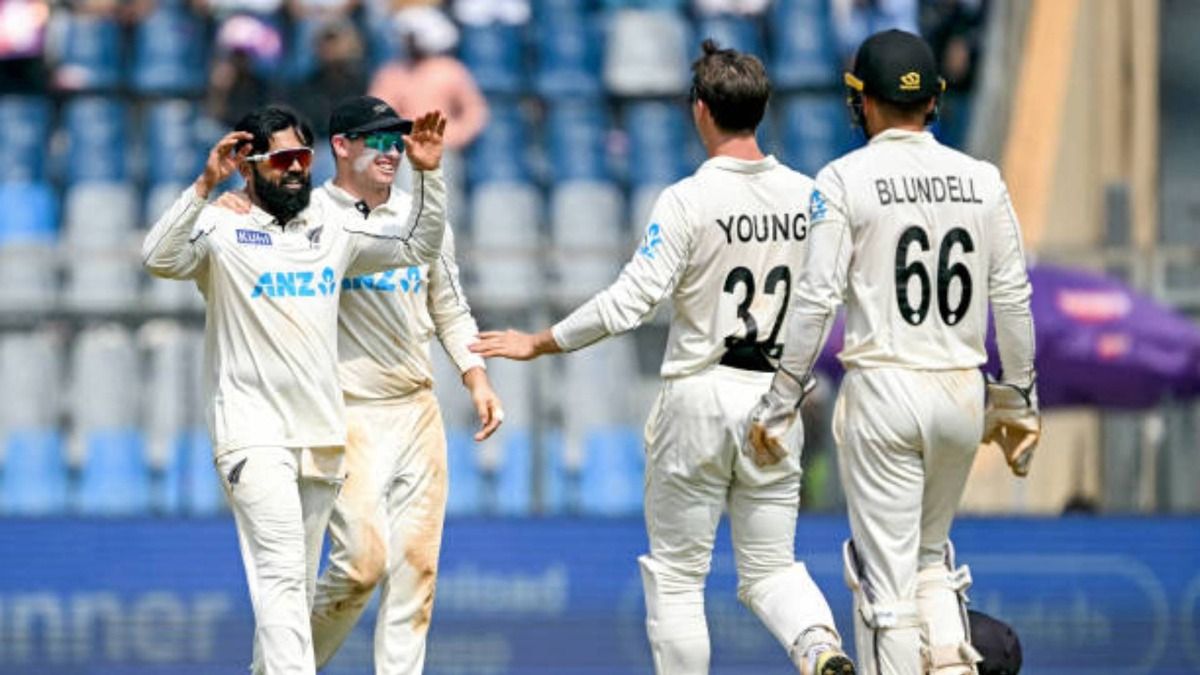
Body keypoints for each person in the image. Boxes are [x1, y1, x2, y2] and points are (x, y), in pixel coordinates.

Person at [471, 40, 854, 675]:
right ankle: (819, 650)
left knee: (678, 576)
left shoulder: (687, 200)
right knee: (773, 568)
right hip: (778, 400)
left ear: (700, 110)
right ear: (762, 109)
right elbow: (824, 301)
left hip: (700, 395)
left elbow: (629, 302)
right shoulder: (812, 198)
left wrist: (541, 341)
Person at [746, 29, 1039, 675]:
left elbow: (815, 299)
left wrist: (779, 402)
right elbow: (1013, 298)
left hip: (884, 390)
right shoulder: (982, 180)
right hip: (962, 388)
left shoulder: (843, 179)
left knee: (886, 586)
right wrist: (1018, 400)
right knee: (931, 562)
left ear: (863, 104)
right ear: (934, 102)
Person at [141, 104, 448, 675]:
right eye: (281, 159)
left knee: (295, 589)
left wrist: (428, 174)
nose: (296, 170)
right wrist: (205, 185)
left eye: (302, 158)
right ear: (248, 165)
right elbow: (157, 258)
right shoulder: (221, 225)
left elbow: (414, 248)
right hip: (253, 434)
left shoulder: (330, 230)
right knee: (281, 577)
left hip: (322, 436)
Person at [221, 95, 504, 674]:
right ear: (341, 146)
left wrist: (476, 379)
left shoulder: (419, 217)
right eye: (376, 140)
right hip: (346, 410)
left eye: (396, 141)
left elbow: (448, 307)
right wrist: (239, 202)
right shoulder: (309, 216)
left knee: (416, 572)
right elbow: (254, 238)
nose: (391, 152)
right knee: (360, 566)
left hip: (417, 406)